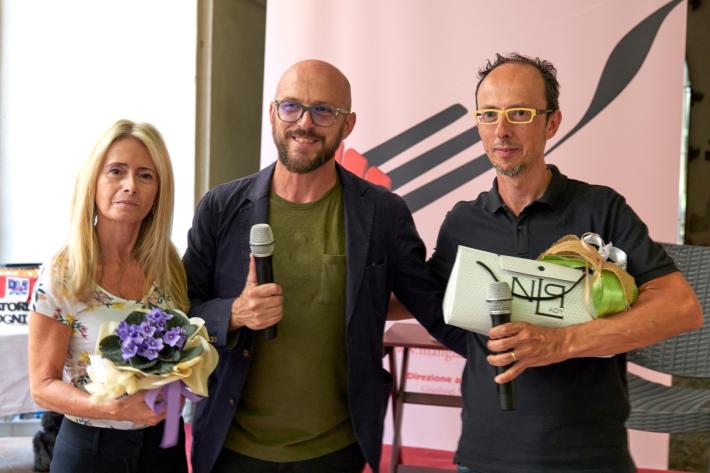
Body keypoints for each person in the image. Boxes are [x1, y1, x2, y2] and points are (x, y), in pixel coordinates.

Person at [183, 59, 466, 473]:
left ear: (347, 124)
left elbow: (431, 304)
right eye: (291, 107)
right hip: (231, 447)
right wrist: (234, 313)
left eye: (323, 111)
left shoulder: (383, 214)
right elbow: (182, 312)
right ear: (272, 113)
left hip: (336, 450)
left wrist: (506, 349)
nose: (304, 123)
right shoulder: (221, 207)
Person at [427, 53, 703, 473]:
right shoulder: (463, 222)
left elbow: (681, 307)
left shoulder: (601, 209)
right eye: (489, 114)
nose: (502, 130)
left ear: (552, 123)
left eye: (520, 113)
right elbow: (423, 297)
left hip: (588, 456)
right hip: (484, 455)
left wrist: (561, 343)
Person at [28, 119, 190, 473]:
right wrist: (112, 408)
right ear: (94, 181)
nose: (130, 185)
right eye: (116, 171)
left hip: (163, 447)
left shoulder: (169, 265)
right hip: (90, 451)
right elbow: (42, 386)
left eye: (145, 175)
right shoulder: (63, 272)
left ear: (159, 191)